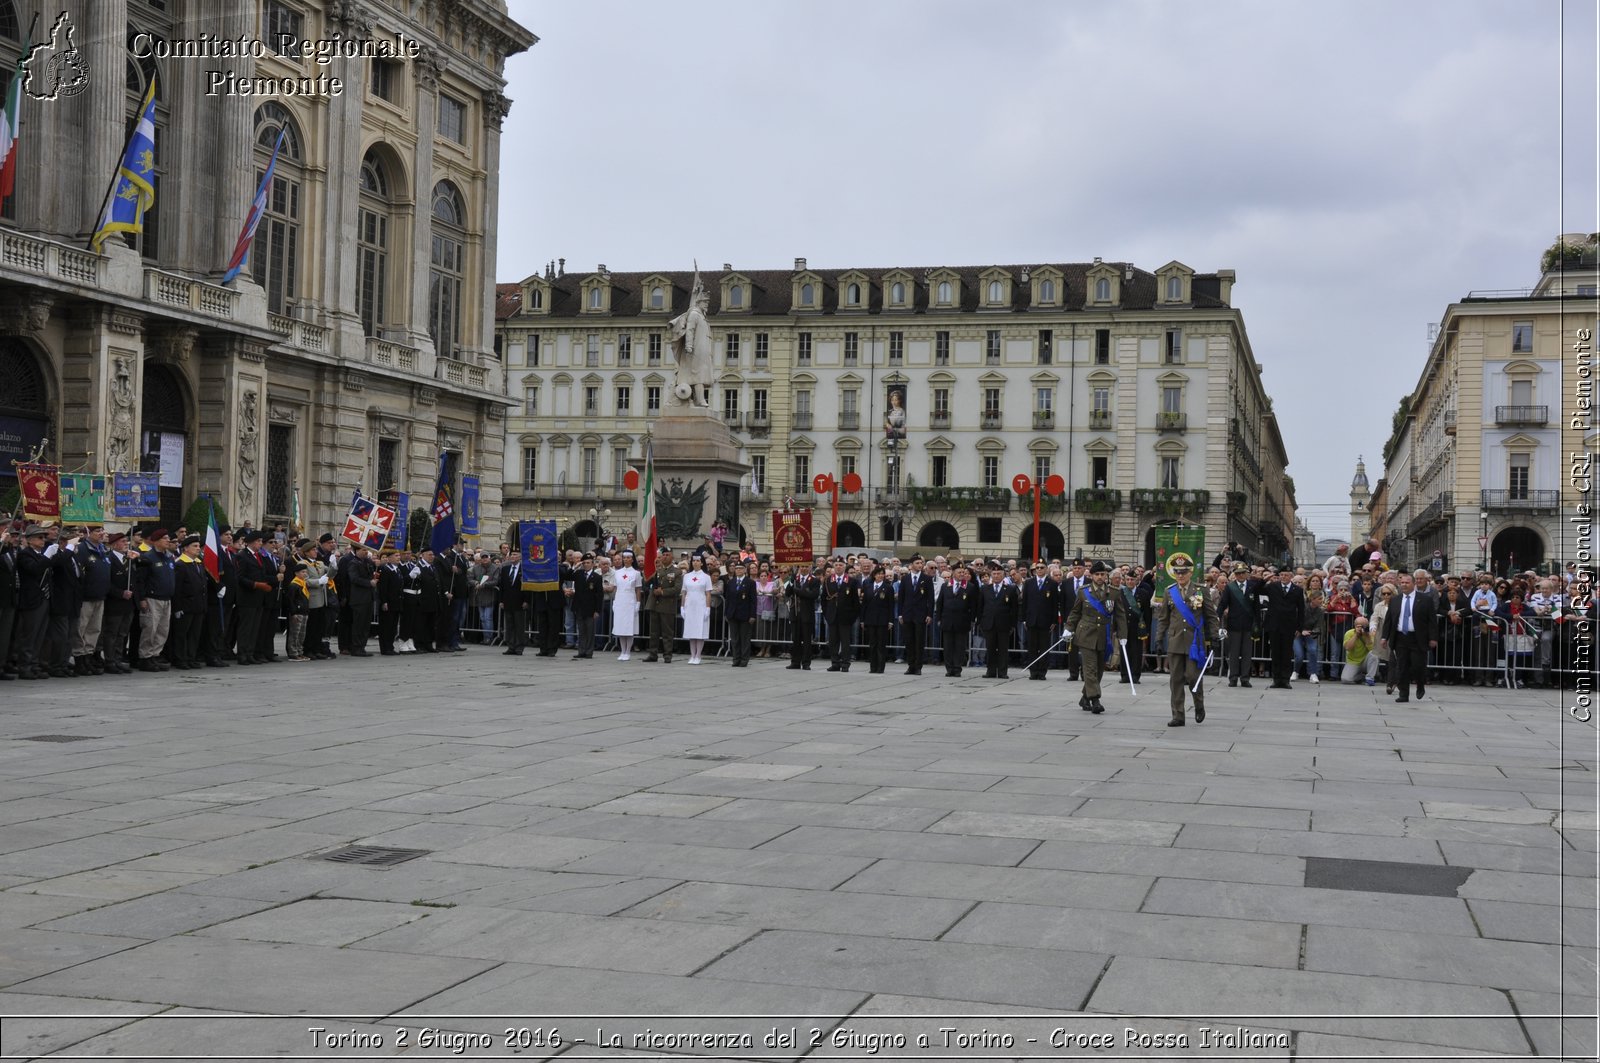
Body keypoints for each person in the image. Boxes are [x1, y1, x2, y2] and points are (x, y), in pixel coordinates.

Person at [1152, 559, 1218, 726]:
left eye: (1183, 572)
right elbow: (1163, 618)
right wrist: (1159, 639)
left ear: (1190, 573)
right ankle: (1178, 715)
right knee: (1175, 679)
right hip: (1175, 640)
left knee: (1193, 676)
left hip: (1194, 642)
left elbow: (1210, 615)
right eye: (1177, 573)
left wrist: (1214, 635)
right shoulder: (1170, 591)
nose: (1180, 575)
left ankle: (1198, 704)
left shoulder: (1201, 590)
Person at [1065, 560, 1126, 714]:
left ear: (1107, 576)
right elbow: (1075, 612)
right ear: (1091, 576)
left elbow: (1120, 615)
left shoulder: (1114, 592)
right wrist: (1068, 628)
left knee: (1099, 670)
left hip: (1104, 635)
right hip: (1086, 634)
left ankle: (1085, 697)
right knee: (1090, 668)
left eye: (1103, 574)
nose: (1100, 577)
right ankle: (1095, 699)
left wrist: (1122, 635)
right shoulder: (1083, 591)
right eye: (1097, 574)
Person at [1381, 571, 1435, 703]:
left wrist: (1433, 638)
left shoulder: (1425, 600)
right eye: (1402, 582)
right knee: (1402, 666)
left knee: (1417, 666)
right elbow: (1389, 620)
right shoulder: (1395, 600)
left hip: (1417, 638)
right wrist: (1384, 637)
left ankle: (1420, 684)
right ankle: (1403, 694)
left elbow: (1432, 621)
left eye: (1407, 582)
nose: (1404, 585)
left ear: (1413, 583)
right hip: (1400, 637)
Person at [668, 272, 714, 407]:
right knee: (698, 375)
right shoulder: (694, 314)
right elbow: (690, 330)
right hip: (694, 351)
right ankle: (700, 400)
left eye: (707, 302)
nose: (707, 304)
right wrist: (688, 346)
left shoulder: (703, 317)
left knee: (701, 375)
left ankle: (697, 399)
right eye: (705, 302)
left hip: (702, 351)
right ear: (698, 302)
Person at [133, 528, 175, 672]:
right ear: (156, 541)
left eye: (168, 538)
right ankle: (145, 657)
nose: (168, 541)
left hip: (166, 598)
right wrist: (142, 598)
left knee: (162, 630)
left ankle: (155, 655)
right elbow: (140, 581)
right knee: (150, 628)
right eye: (165, 538)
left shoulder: (169, 557)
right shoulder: (148, 558)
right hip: (152, 598)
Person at [1263, 566, 1303, 689]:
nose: (1283, 577)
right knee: (1275, 653)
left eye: (1286, 575)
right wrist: (1267, 577)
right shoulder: (1273, 587)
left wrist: (1299, 627)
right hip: (1274, 624)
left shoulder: (1297, 590)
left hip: (1289, 625)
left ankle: (1285, 679)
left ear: (1291, 576)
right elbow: (1258, 588)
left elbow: (1301, 609)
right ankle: (1276, 679)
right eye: (1281, 575)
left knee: (1287, 653)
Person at [936, 563, 980, 676]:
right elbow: (940, 603)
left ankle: (957, 668)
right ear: (953, 573)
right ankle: (949, 668)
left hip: (962, 621)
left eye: (963, 572)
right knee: (948, 646)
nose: (962, 574)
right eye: (959, 572)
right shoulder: (946, 586)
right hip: (947, 621)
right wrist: (939, 618)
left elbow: (973, 605)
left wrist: (972, 620)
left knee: (959, 647)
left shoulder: (969, 587)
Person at [1219, 562, 1258, 688]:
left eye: (1243, 573)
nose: (1240, 575)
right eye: (1238, 573)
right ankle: (1233, 678)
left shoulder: (1252, 586)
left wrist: (1257, 623)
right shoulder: (1230, 587)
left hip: (1248, 624)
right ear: (1235, 574)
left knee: (1247, 653)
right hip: (1234, 624)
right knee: (1234, 653)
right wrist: (1216, 617)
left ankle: (1245, 678)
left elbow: (1256, 606)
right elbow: (1223, 604)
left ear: (1247, 574)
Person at [978, 564, 1019, 679]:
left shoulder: (1010, 589)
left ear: (1003, 575)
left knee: (1003, 649)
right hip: (989, 623)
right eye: (994, 574)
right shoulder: (985, 588)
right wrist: (980, 622)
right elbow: (980, 607)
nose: (996, 576)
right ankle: (990, 671)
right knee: (990, 648)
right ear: (991, 575)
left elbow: (1014, 609)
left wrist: (1012, 624)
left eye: (998, 574)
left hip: (1004, 624)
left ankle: (1002, 672)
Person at [822, 560, 862, 672]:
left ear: (844, 567)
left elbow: (855, 602)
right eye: (836, 565)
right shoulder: (828, 580)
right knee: (833, 641)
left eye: (841, 565)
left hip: (846, 616)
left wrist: (852, 617)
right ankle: (835, 663)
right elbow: (823, 600)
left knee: (845, 642)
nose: (838, 567)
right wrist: (827, 614)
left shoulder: (851, 581)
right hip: (832, 616)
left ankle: (845, 663)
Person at [898, 554, 934, 675]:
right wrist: (900, 614)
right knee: (909, 641)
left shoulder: (926, 579)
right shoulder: (906, 579)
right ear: (911, 565)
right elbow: (901, 598)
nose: (920, 565)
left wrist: (929, 614)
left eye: (921, 563)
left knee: (919, 641)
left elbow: (930, 599)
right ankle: (910, 665)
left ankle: (918, 666)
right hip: (908, 614)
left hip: (920, 614)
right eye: (917, 563)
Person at [644, 548, 682, 663]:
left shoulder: (677, 572)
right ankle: (653, 654)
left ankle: (667, 655)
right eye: (663, 555)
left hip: (667, 605)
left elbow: (677, 588)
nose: (665, 557)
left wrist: (663, 592)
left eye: (667, 555)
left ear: (672, 557)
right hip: (655, 604)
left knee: (667, 632)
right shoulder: (657, 571)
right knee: (653, 632)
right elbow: (646, 582)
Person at [860, 565, 895, 673]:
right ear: (874, 575)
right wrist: (862, 619)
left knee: (881, 645)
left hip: (882, 619)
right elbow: (864, 604)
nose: (881, 575)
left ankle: (880, 667)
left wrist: (890, 620)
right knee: (873, 644)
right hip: (870, 619)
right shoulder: (868, 586)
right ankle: (873, 667)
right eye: (878, 573)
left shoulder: (888, 587)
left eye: (882, 573)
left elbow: (891, 605)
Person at [723, 558, 757, 667]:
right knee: (735, 638)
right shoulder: (731, 582)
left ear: (744, 570)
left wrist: (752, 615)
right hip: (733, 614)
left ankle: (744, 659)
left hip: (745, 615)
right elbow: (727, 599)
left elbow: (753, 600)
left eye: (740, 568)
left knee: (744, 638)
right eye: (736, 568)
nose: (738, 570)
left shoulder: (750, 583)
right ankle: (735, 658)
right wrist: (726, 613)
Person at [785, 564, 820, 669]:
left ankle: (806, 663)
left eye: (806, 567)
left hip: (807, 614)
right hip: (795, 613)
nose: (804, 568)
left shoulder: (814, 580)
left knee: (807, 640)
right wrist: (791, 582)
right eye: (802, 567)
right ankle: (795, 662)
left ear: (810, 567)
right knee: (795, 639)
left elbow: (813, 595)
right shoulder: (795, 579)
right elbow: (787, 592)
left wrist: (798, 591)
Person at [569, 554, 604, 659]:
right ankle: (581, 651)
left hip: (590, 608)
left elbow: (599, 595)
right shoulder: (579, 573)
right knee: (581, 630)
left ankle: (589, 652)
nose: (586, 565)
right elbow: (567, 575)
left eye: (588, 562)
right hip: (579, 607)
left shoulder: (597, 577)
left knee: (590, 631)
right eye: (584, 563)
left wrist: (597, 610)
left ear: (592, 564)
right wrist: (575, 567)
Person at [680, 554, 712, 664]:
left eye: (698, 561)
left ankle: (698, 655)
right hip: (690, 605)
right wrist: (682, 607)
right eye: (694, 561)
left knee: (700, 631)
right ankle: (692, 655)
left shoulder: (706, 577)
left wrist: (708, 608)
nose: (695, 563)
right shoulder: (687, 576)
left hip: (701, 605)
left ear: (702, 563)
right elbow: (684, 592)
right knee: (691, 631)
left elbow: (708, 594)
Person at [611, 551, 643, 660]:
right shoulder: (617, 573)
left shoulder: (636, 573)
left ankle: (628, 651)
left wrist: (638, 603)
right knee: (620, 627)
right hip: (620, 600)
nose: (626, 559)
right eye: (624, 558)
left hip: (630, 600)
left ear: (632, 559)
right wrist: (614, 602)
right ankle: (622, 651)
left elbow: (638, 589)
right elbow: (615, 588)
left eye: (629, 558)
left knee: (629, 627)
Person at [498, 548, 529, 655]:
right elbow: (502, 585)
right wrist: (501, 600)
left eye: (515, 555)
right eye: (512, 555)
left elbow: (527, 586)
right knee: (509, 625)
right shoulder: (505, 569)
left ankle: (519, 647)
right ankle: (511, 646)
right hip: (508, 601)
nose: (513, 556)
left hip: (519, 601)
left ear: (520, 557)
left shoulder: (524, 569)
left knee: (519, 626)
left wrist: (526, 600)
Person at [1340, 616, 1379, 684]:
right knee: (1345, 679)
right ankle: (1361, 677)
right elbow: (1348, 648)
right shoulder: (1349, 633)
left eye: (1365, 626)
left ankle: (1370, 678)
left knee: (1374, 653)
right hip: (1353, 661)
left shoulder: (1370, 634)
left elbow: (1372, 649)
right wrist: (1356, 635)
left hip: (1366, 661)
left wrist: (1367, 636)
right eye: (1360, 626)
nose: (1363, 628)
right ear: (1355, 626)